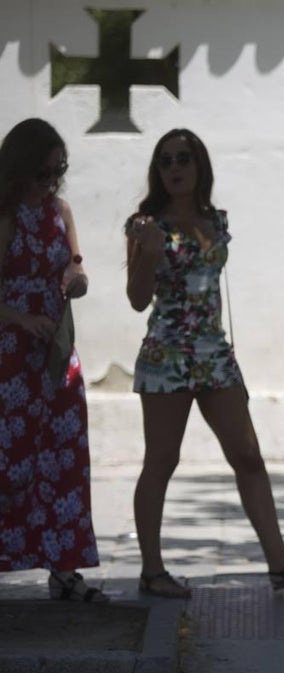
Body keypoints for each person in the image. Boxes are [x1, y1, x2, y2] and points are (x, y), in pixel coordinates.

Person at [125, 128, 284, 598]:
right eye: (165, 160)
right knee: (161, 460)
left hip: (214, 354)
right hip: (167, 355)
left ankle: (280, 564)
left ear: (200, 167)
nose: (174, 167)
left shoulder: (215, 221)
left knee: (248, 456)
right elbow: (137, 300)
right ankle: (152, 571)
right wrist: (147, 255)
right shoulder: (146, 224)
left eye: (184, 158)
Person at [0, 118, 106, 602]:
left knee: (63, 458)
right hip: (11, 359)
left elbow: (74, 263)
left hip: (55, 354)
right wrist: (20, 318)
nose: (49, 182)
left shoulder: (59, 210)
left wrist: (76, 279)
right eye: (41, 173)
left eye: (56, 171)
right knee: (11, 463)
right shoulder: (5, 217)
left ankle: (64, 565)